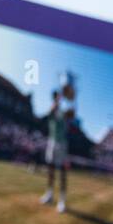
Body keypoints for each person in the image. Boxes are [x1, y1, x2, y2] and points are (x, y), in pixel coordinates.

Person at [40, 83, 75, 213]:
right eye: (55, 96)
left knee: (62, 172)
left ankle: (62, 201)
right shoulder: (53, 109)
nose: (57, 98)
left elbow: (71, 115)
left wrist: (68, 97)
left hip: (62, 144)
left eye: (58, 96)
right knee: (50, 169)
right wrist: (59, 99)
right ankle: (49, 195)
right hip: (51, 142)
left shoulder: (65, 110)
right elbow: (50, 112)